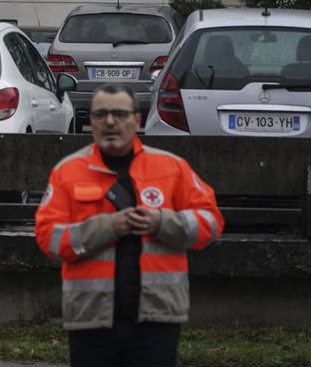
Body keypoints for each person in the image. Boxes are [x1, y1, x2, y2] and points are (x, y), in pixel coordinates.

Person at [34, 85, 224, 367]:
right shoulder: (67, 171)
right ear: (91, 122)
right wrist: (107, 227)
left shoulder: (172, 167)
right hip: (90, 321)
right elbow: (48, 238)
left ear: (137, 120)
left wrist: (162, 222)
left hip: (156, 320)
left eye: (119, 114)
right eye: (101, 114)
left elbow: (211, 223)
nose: (110, 122)